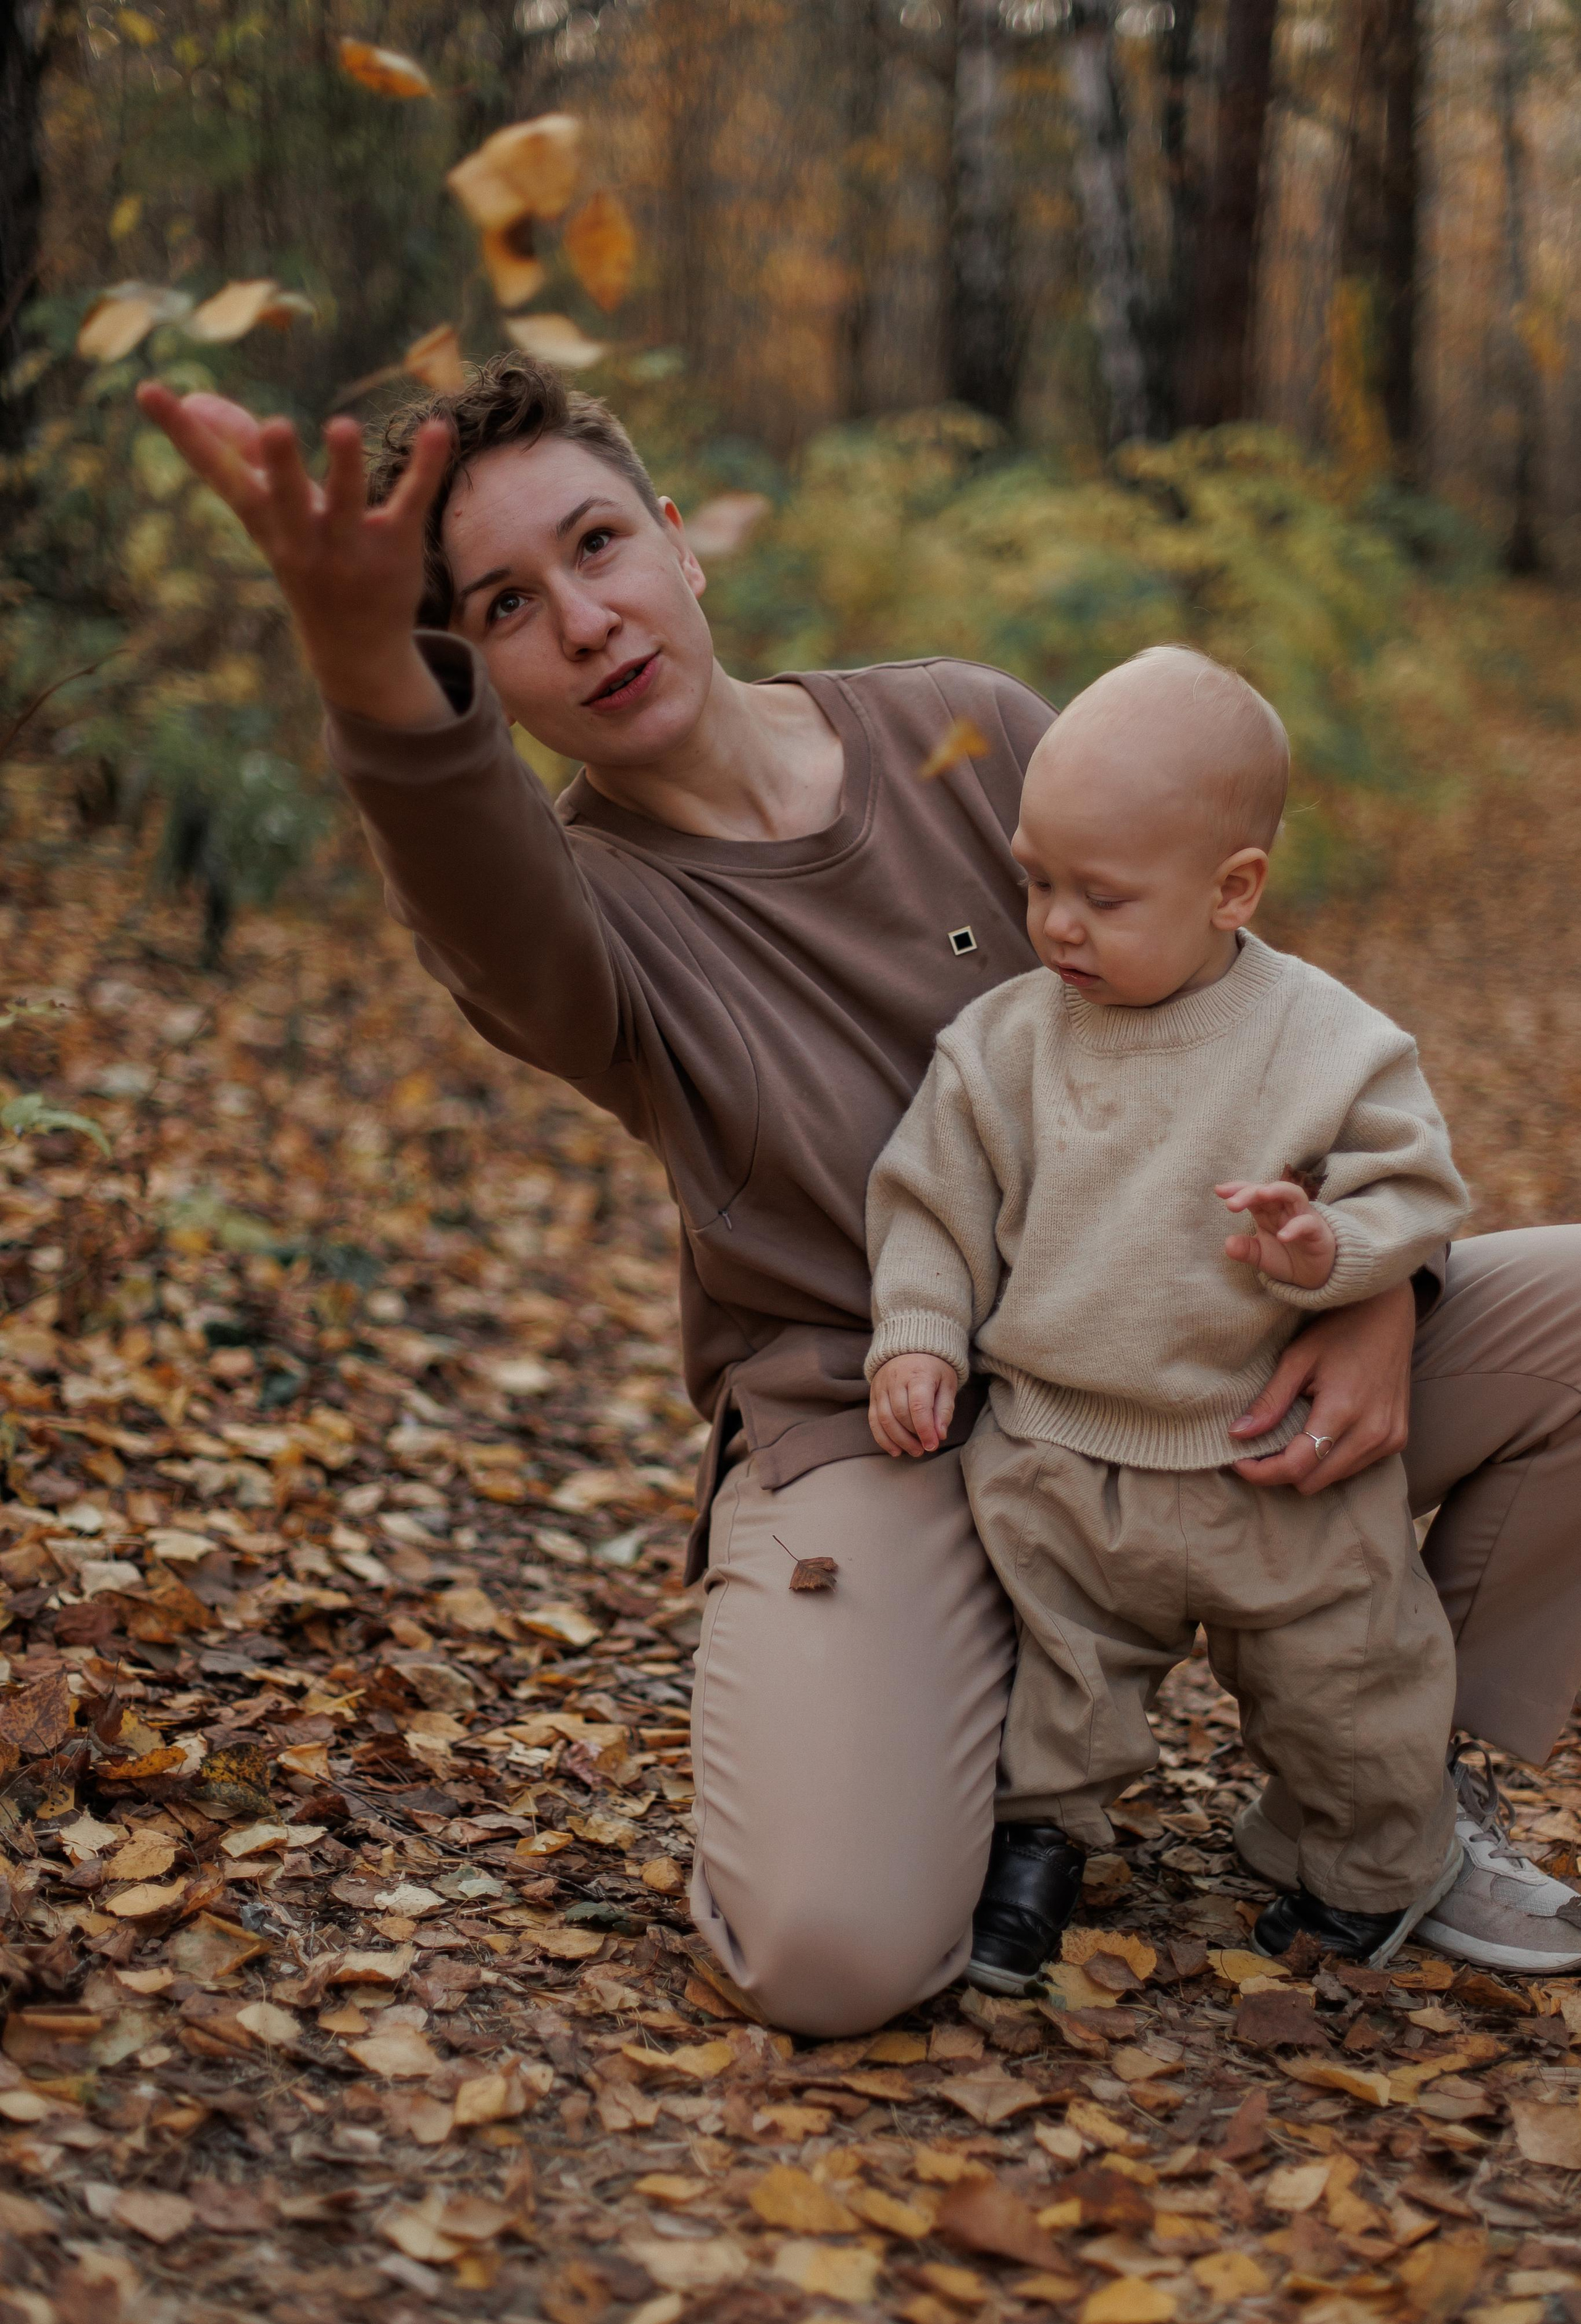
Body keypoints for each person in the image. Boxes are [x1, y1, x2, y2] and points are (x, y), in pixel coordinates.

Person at [135, 354, 1581, 2030]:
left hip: (1217, 1348)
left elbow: (1251, 1004)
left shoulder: (962, 731)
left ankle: (1394, 1798)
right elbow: (472, 872)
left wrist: (1379, 1296)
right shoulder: (585, 926)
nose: (587, 621)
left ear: (682, 543)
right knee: (826, 1957)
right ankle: (979, 1735)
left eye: (598, 547)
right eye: (509, 608)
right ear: (479, 670)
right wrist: (358, 656)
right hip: (901, 1429)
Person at [866, 648, 1469, 1989]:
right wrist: (914, 1331)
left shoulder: (1322, 1039)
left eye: (1100, 896)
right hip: (1060, 1456)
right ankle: (1034, 1851)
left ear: (1230, 887)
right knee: (1053, 1680)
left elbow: (1411, 1178)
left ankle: (1364, 1870)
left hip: (1270, 1455)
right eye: (1034, 882)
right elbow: (928, 1200)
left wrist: (1330, 1248)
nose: (1055, 924)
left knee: (1350, 1681)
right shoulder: (1003, 1045)